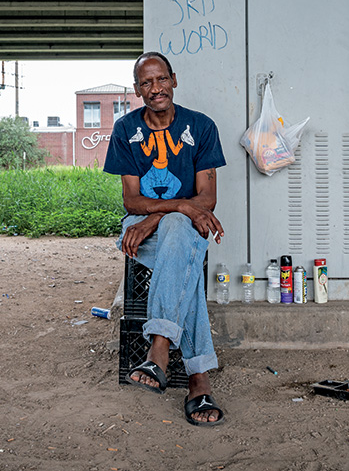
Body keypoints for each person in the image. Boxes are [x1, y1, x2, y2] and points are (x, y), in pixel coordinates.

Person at [103, 52, 226, 426]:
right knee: (179, 247)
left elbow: (207, 199)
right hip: (140, 230)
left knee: (177, 230)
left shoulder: (201, 127)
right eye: (146, 83)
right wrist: (175, 211)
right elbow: (131, 200)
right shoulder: (126, 131)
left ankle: (159, 348)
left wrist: (166, 214)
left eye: (160, 80)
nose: (155, 89)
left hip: (184, 227)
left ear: (173, 79)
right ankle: (198, 380)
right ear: (138, 90)